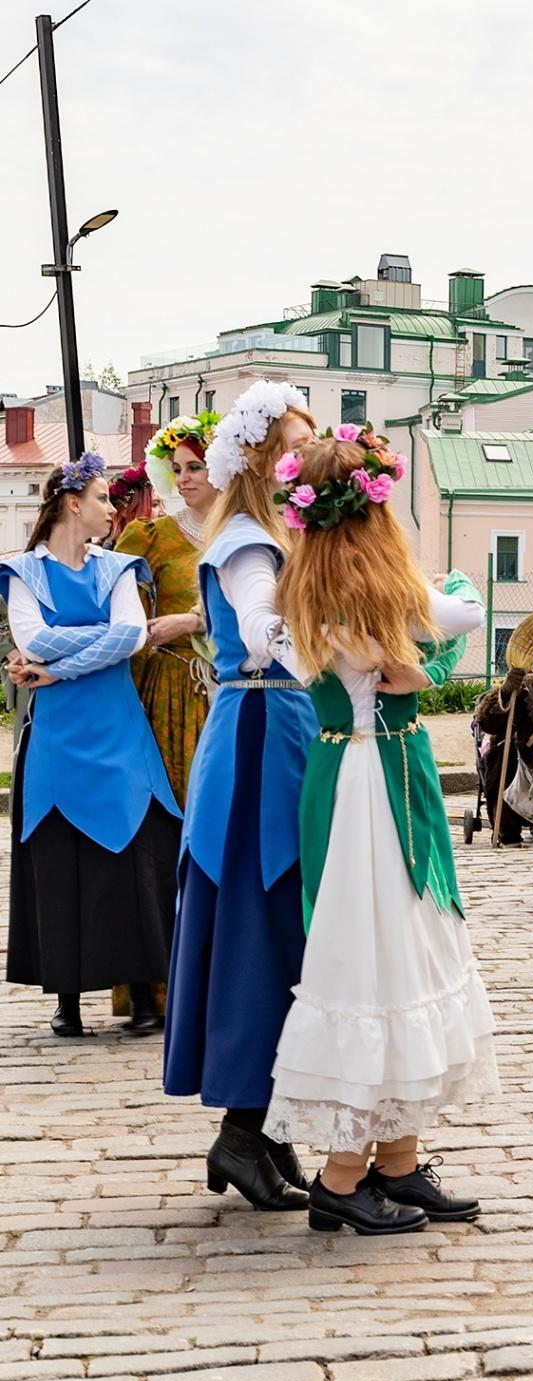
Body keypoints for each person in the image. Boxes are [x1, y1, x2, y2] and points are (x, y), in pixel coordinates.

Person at [262, 427, 494, 1236]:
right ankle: (341, 1175)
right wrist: (424, 636)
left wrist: (412, 661)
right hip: (379, 784)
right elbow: (462, 608)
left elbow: (300, 652)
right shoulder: (379, 597)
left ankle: (395, 1161)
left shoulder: (301, 594)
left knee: (383, 960)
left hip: (343, 774)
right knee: (377, 964)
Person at [164, 382, 319, 1213]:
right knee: (261, 915)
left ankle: (265, 1122)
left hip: (278, 723)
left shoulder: (272, 533)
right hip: (261, 726)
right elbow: (267, 627)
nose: (306, 457)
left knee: (283, 917)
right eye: (294, 443)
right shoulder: (248, 542)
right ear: (262, 459)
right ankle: (242, 1123)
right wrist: (340, 652)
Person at [3, 454, 181, 1041]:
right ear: (72, 503)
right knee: (61, 864)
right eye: (105, 498)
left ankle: (145, 995)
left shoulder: (122, 568)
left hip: (118, 732)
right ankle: (68, 999)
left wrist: (56, 671)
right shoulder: (22, 571)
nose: (114, 509)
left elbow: (131, 635)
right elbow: (32, 636)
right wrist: (90, 647)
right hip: (57, 739)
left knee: (132, 862)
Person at [105, 418, 220, 1030]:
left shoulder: (255, 532)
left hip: (235, 693)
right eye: (177, 469)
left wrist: (199, 621)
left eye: (196, 467)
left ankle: (222, 984)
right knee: (167, 832)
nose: (185, 479)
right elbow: (106, 603)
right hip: (170, 695)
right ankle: (157, 987)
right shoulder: (152, 536)